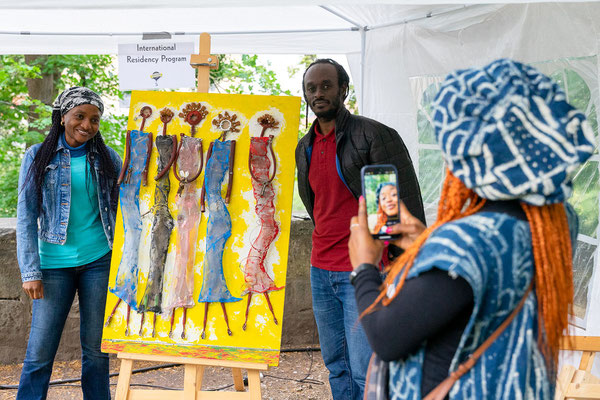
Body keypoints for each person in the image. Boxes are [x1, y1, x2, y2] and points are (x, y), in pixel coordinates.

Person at [348, 59, 594, 399]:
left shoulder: (469, 243)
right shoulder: (556, 219)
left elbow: (386, 337)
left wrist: (363, 265)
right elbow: (489, 279)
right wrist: (427, 241)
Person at [295, 58, 425, 400]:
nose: (318, 93)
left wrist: (398, 265)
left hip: (364, 270)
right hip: (320, 268)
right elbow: (314, 205)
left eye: (326, 85)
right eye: (311, 88)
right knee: (336, 364)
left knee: (365, 365)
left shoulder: (374, 135)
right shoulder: (304, 147)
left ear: (343, 90)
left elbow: (399, 206)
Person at [16, 86, 122, 400]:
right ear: (63, 117)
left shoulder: (107, 157)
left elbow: (126, 204)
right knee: (39, 352)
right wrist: (30, 271)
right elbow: (25, 215)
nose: (87, 125)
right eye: (80, 116)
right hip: (52, 266)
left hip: (98, 261)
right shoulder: (38, 155)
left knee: (96, 351)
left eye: (94, 119)